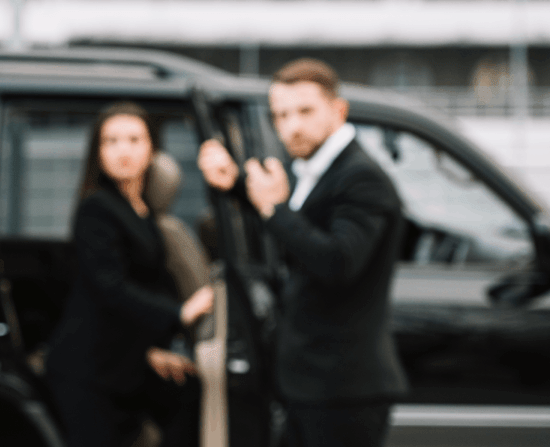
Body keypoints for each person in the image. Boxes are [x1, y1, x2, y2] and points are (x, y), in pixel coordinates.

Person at [196, 58, 408, 447]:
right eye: (281, 115)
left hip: (344, 390)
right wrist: (237, 186)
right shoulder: (315, 169)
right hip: (312, 387)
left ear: (338, 110)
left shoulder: (362, 177)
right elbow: (303, 225)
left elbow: (338, 261)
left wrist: (275, 210)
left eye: (305, 111)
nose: (292, 125)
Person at [45, 102, 214, 447]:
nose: (124, 150)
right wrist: (180, 313)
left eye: (135, 139)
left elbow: (149, 281)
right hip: (88, 367)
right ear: (98, 153)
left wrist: (154, 347)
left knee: (188, 391)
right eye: (111, 141)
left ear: (151, 149)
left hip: (124, 358)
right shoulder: (96, 209)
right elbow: (112, 289)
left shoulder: (143, 211)